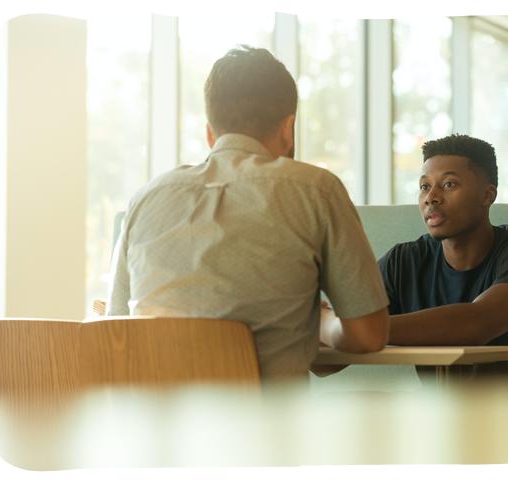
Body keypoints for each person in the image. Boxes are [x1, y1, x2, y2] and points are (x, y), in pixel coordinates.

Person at [106, 45, 389, 381]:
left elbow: (115, 331)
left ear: (210, 133)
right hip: (266, 428)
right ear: (288, 128)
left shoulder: (146, 198)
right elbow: (369, 336)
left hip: (153, 428)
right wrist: (323, 324)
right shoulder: (316, 189)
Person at [377, 133, 508, 377]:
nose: (431, 197)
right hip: (437, 412)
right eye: (424, 186)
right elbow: (327, 363)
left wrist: (357, 329)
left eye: (448, 184)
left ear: (487, 196)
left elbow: (476, 324)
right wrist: (330, 327)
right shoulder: (403, 262)